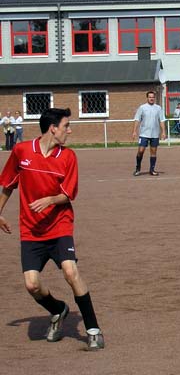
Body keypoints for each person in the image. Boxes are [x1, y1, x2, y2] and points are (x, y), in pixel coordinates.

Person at [0, 108, 105, 350]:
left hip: (59, 226)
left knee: (70, 271)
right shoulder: (21, 151)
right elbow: (7, 184)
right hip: (31, 230)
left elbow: (69, 194)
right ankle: (58, 309)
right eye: (66, 125)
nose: (69, 130)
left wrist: (49, 200)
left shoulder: (68, 157)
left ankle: (92, 329)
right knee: (32, 284)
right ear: (52, 128)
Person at [132, 91, 166, 176]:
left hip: (154, 134)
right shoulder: (142, 107)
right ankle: (138, 168)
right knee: (141, 151)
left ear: (154, 98)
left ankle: (152, 169)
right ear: (147, 98)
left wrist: (163, 132)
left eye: (153, 97)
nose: (151, 98)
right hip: (144, 134)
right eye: (150, 97)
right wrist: (134, 131)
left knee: (153, 152)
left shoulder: (158, 108)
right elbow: (137, 119)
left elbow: (161, 120)